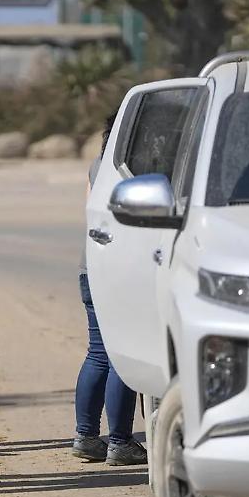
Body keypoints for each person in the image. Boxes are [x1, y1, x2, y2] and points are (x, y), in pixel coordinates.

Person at [73, 113, 146, 465]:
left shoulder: (99, 163)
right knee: (122, 357)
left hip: (92, 265)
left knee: (98, 353)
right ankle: (120, 442)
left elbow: (90, 211)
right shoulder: (140, 163)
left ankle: (86, 437)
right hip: (122, 270)